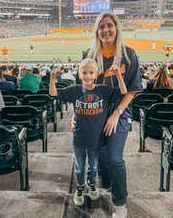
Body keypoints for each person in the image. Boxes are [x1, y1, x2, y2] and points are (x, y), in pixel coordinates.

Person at [79, 12, 142, 218]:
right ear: (97, 31)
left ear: (116, 28)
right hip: (94, 113)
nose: (106, 30)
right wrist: (77, 114)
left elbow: (131, 91)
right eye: (101, 26)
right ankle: (106, 182)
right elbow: (84, 89)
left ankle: (120, 202)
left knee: (115, 158)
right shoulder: (89, 54)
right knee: (101, 155)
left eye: (109, 25)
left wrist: (116, 114)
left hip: (120, 112)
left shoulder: (129, 55)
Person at [49, 58, 127, 207]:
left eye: (91, 73)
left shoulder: (103, 90)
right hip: (79, 138)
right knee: (79, 167)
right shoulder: (75, 90)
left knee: (93, 166)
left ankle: (91, 185)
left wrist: (118, 75)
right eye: (84, 72)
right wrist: (53, 79)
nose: (87, 76)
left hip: (96, 139)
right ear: (79, 74)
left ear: (96, 74)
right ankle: (79, 188)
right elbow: (54, 94)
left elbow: (123, 92)